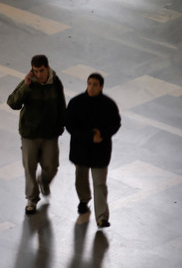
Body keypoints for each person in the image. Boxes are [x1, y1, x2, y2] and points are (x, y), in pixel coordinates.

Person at [7, 54, 66, 215]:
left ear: (47, 68)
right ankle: (32, 198)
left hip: (49, 134)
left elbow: (62, 105)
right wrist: (25, 86)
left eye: (41, 71)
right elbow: (13, 103)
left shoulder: (55, 83)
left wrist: (61, 127)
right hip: (30, 133)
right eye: (35, 71)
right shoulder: (29, 82)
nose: (38, 74)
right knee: (29, 166)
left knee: (52, 166)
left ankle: (44, 181)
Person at [65, 73, 121, 228]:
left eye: (95, 84)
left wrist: (102, 134)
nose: (91, 87)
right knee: (81, 179)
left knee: (99, 184)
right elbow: (70, 125)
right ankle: (84, 200)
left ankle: (102, 217)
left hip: (100, 152)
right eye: (89, 83)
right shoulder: (76, 103)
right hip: (81, 150)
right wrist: (90, 137)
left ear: (101, 86)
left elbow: (115, 124)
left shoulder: (108, 105)